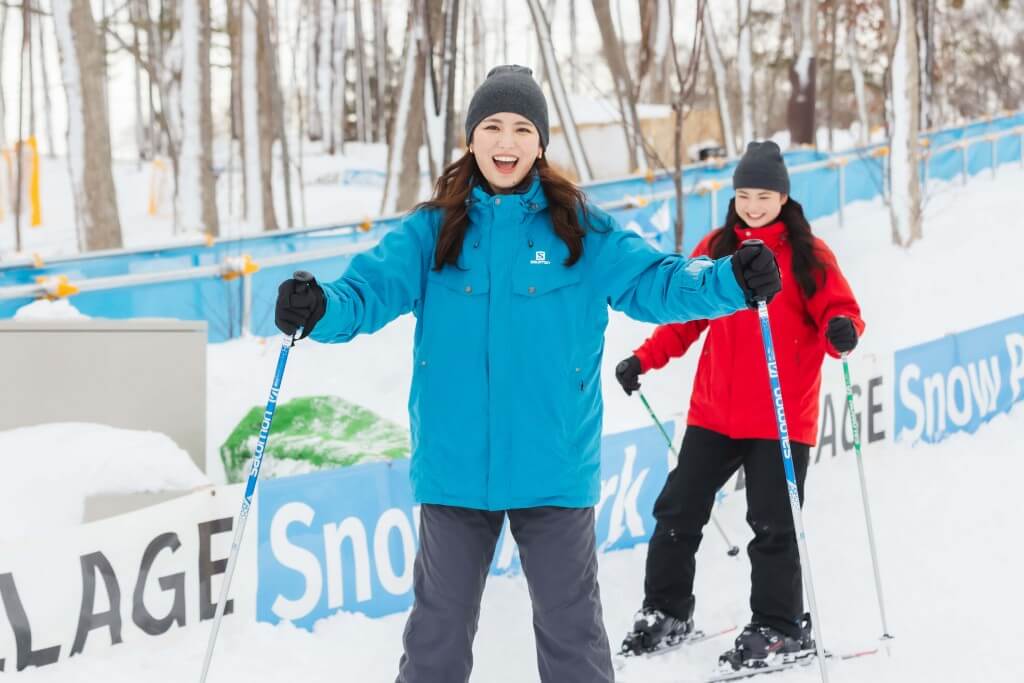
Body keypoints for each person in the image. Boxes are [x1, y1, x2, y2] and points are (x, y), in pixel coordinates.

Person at [274, 66, 782, 683]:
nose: (505, 141)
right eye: (491, 126)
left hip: (552, 465)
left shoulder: (581, 230)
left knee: (572, 634)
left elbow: (658, 281)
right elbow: (363, 293)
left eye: (521, 127)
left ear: (540, 141)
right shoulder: (432, 231)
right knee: (437, 633)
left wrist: (728, 278)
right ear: (471, 140)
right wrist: (318, 307)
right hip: (456, 467)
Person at [615, 141, 865, 671]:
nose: (752, 206)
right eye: (743, 195)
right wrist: (643, 358)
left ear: (783, 196)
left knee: (772, 525)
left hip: (780, 417)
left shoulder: (808, 255)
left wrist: (842, 332)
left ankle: (780, 626)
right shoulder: (718, 246)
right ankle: (667, 610)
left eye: (763, 195)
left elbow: (839, 315)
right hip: (715, 414)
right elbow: (687, 317)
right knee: (677, 510)